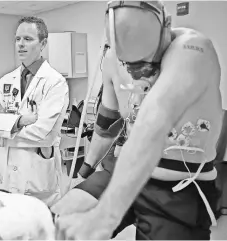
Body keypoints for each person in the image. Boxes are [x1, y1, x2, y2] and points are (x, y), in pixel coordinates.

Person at [52, 1, 224, 240]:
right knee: (60, 221)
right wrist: (83, 173)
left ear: (167, 27)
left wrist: (103, 217)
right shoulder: (111, 58)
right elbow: (106, 126)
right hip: (122, 170)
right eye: (127, 64)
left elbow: (151, 125)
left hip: (176, 188)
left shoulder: (193, 49)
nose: (136, 74)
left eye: (145, 64)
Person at [0, 16, 69, 206]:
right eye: (17, 39)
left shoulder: (55, 82)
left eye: (28, 39)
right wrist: (20, 120)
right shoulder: (6, 80)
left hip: (36, 172)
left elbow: (42, 133)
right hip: (6, 172)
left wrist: (3, 122)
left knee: (37, 231)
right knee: (8, 228)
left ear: (43, 43)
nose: (21, 44)